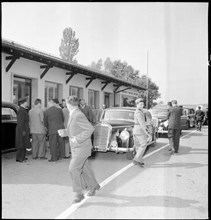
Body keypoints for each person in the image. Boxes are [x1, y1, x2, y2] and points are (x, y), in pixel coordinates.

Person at [58, 96, 100, 204]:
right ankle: (93, 186)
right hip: (78, 148)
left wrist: (77, 139)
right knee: (84, 168)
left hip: (82, 147)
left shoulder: (78, 115)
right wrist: (65, 132)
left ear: (68, 104)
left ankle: (78, 193)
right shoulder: (74, 114)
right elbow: (76, 129)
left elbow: (90, 128)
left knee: (73, 168)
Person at [133, 98, 149, 167]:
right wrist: (147, 133)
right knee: (143, 145)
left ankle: (139, 161)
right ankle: (136, 159)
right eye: (140, 104)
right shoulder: (139, 112)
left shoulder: (138, 111)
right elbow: (142, 124)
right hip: (140, 130)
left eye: (143, 104)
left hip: (136, 130)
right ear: (137, 104)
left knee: (138, 146)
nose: (142, 105)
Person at [15, 97, 31, 162]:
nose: (27, 103)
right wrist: (23, 131)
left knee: (24, 143)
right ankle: (19, 158)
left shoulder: (23, 109)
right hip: (22, 130)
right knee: (21, 144)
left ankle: (22, 157)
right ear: (23, 103)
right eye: (26, 102)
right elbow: (20, 122)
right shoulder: (21, 110)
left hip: (24, 129)